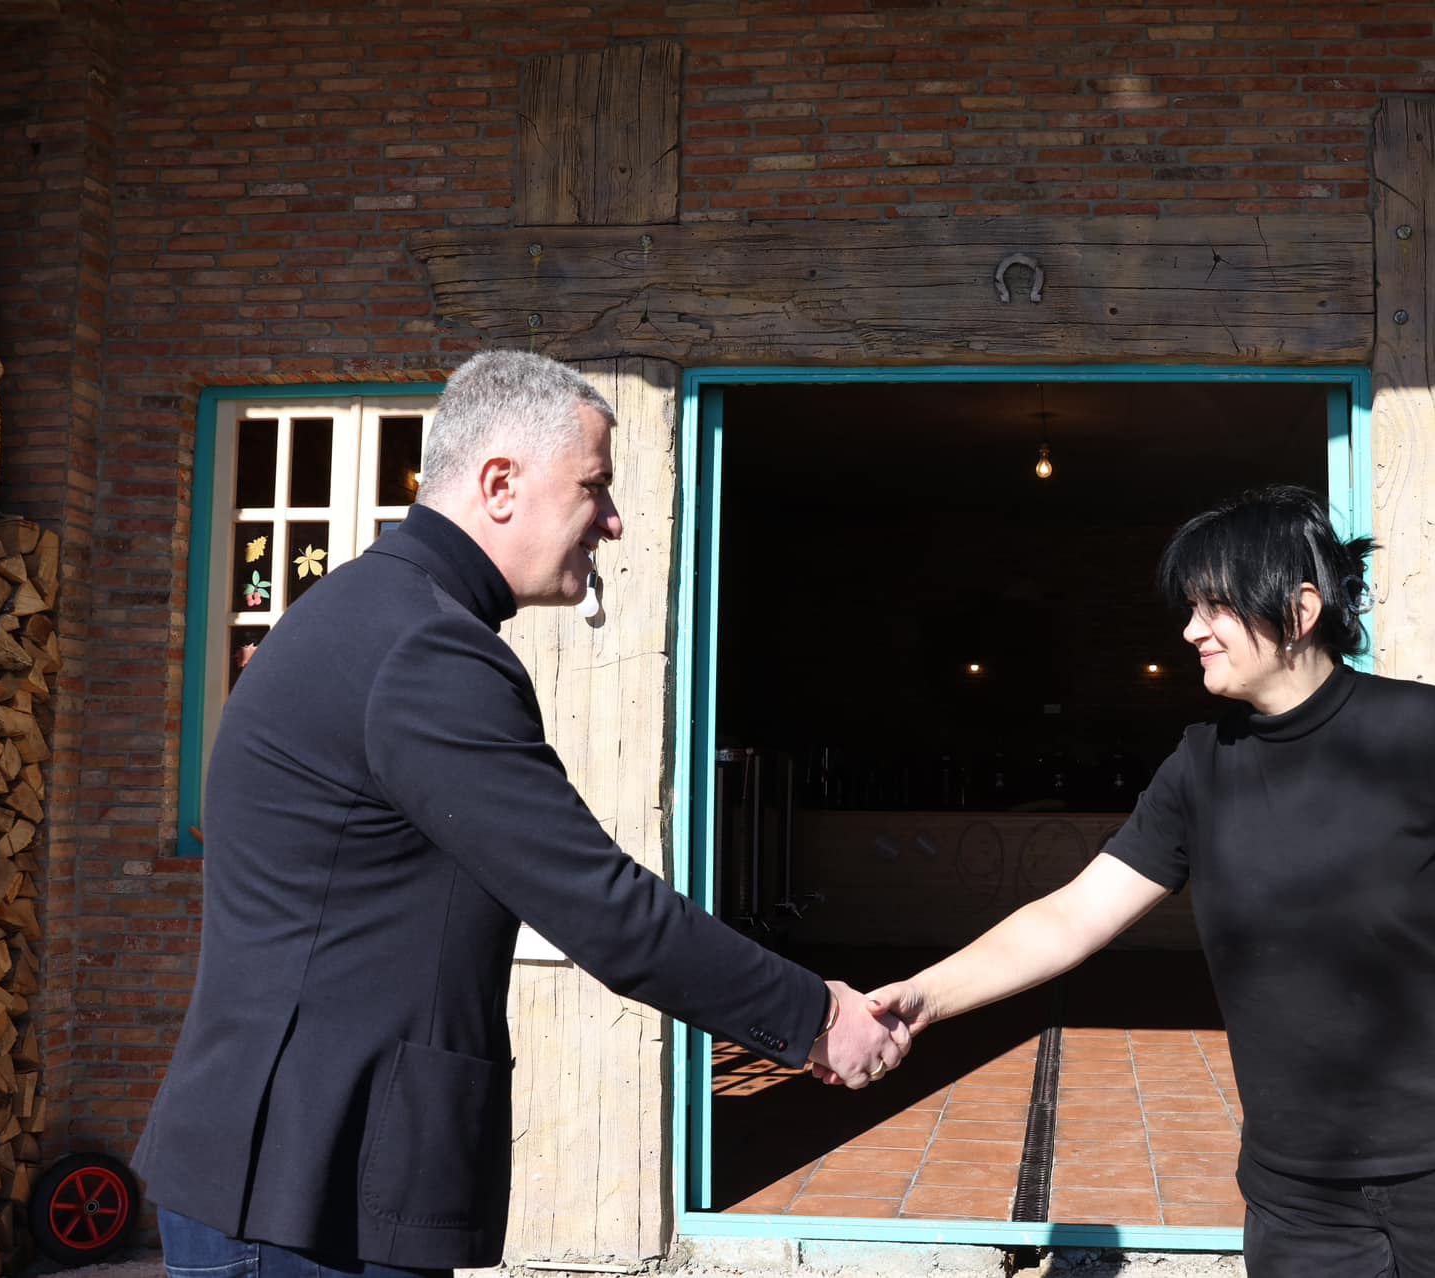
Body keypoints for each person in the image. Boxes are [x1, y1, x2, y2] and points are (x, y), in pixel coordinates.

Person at [134, 350, 908, 1278]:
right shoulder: (424, 650)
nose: (612, 520)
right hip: (303, 1197)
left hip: (296, 1179)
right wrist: (815, 1016)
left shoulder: (371, 611)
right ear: (500, 483)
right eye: (594, 486)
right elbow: (600, 907)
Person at [862, 484, 1435, 1277]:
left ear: (1300, 610)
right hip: (1300, 1196)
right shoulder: (1200, 767)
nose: (1190, 630)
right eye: (1191, 608)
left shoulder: (1426, 732)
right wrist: (925, 996)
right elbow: (1072, 916)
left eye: (1214, 607)